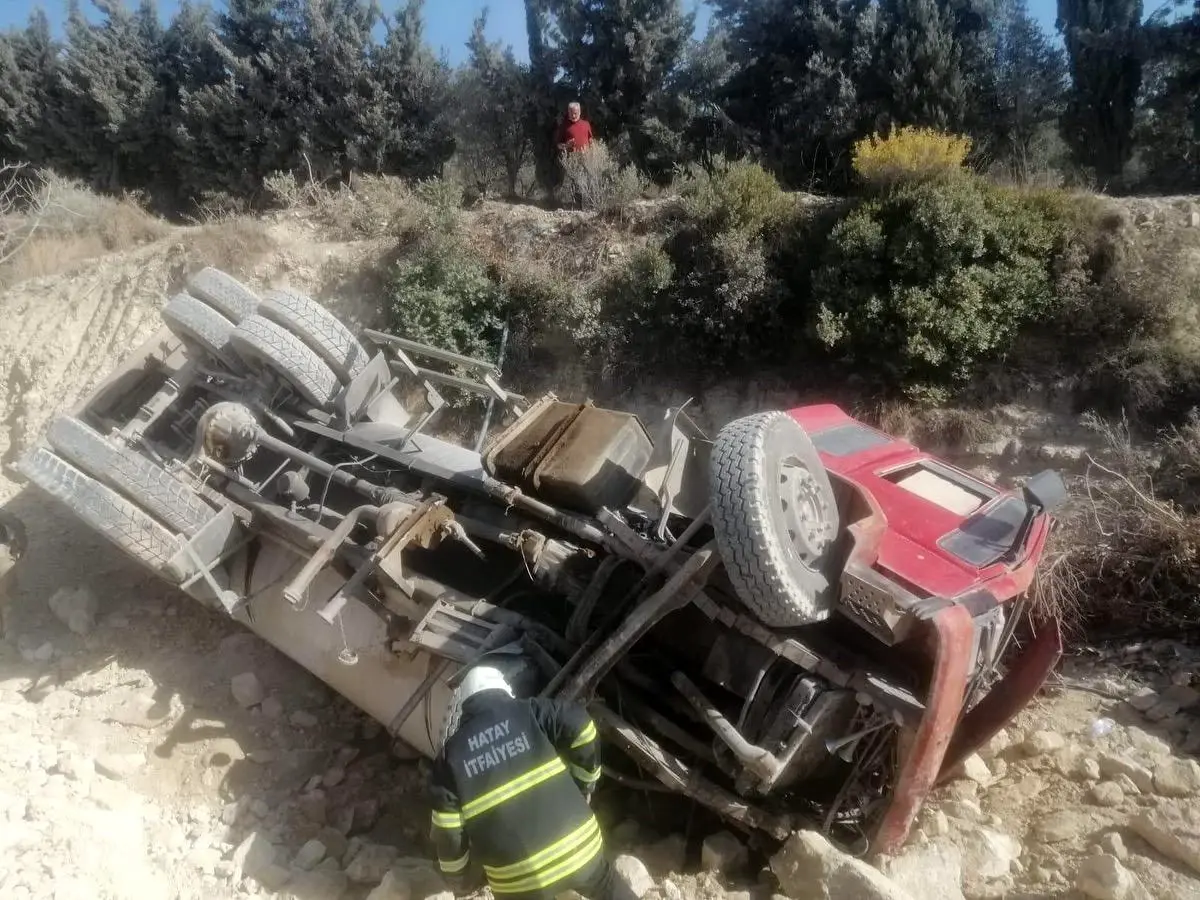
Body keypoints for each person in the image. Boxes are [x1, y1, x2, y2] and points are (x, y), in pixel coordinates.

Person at [429, 665, 635, 900]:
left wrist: (460, 880)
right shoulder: (530, 712)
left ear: (464, 705)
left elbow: (448, 831)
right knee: (606, 886)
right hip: (578, 849)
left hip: (516, 880)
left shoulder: (450, 756)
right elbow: (583, 728)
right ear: (504, 691)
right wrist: (583, 783)